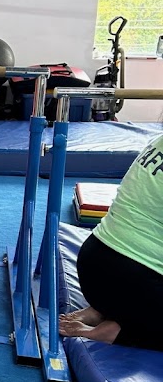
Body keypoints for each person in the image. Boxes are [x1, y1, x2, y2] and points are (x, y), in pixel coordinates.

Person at [59, 132, 163, 351]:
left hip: (93, 265)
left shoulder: (159, 140)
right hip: (137, 283)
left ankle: (100, 311)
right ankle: (114, 332)